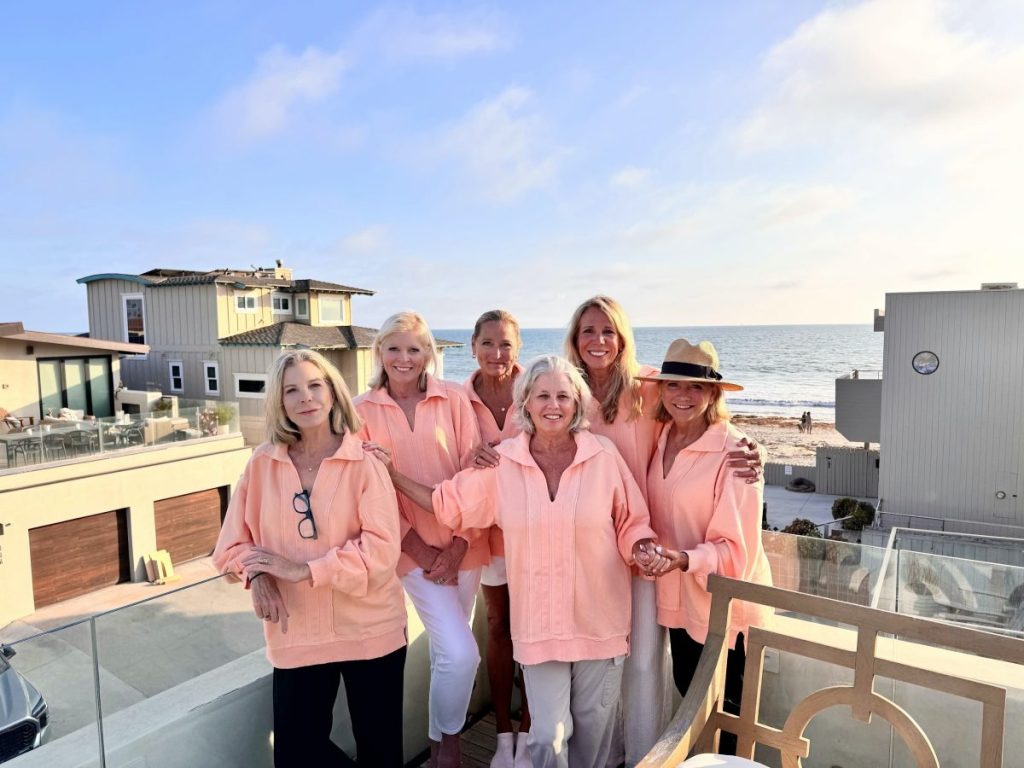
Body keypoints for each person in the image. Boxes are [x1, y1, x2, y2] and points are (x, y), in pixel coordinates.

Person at [368, 355, 669, 768]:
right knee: (546, 736)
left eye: (563, 395)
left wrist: (641, 548)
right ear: (525, 402)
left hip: (600, 621)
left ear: (577, 404)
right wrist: (391, 473)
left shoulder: (604, 456)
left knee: (593, 740)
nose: (553, 404)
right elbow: (445, 502)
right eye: (543, 394)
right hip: (539, 625)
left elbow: (632, 522)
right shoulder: (504, 462)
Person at [212, 350, 406, 767]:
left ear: (333, 393)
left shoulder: (365, 463)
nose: (306, 398)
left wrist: (303, 570)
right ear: (280, 403)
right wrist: (257, 575)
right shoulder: (261, 464)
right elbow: (228, 548)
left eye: (315, 385)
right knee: (297, 754)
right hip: (296, 633)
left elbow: (381, 554)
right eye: (292, 390)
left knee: (381, 752)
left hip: (370, 630)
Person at [353, 311, 484, 768]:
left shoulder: (453, 399)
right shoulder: (359, 411)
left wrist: (459, 545)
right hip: (412, 554)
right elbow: (367, 494)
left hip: (465, 548)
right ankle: (450, 749)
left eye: (414, 349)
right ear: (379, 353)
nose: (404, 358)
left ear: (428, 354)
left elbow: (475, 474)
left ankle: (434, 746)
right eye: (394, 348)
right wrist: (423, 551)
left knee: (449, 653)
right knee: (463, 654)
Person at [640, 339, 773, 756]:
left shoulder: (735, 453)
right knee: (690, 694)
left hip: (725, 610)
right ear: (660, 390)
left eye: (696, 387)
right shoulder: (659, 438)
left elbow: (737, 552)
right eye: (674, 385)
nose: (684, 395)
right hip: (678, 599)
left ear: (713, 394)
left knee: (727, 718)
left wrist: (684, 559)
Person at [463, 310, 531, 768]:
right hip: (488, 530)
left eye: (505, 344)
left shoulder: (535, 388)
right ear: (472, 346)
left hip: (534, 529)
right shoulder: (456, 400)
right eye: (488, 343)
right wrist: (470, 454)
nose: (496, 353)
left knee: (535, 628)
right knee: (498, 624)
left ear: (518, 348)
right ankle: (503, 731)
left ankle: (529, 728)